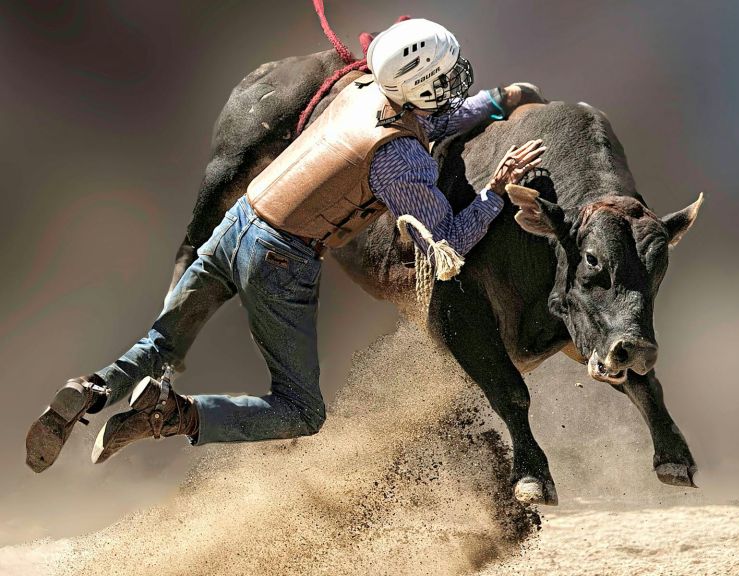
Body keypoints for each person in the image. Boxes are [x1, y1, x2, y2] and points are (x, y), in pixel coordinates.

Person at [26, 18, 546, 472]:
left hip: (239, 223)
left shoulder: (365, 88)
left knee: (163, 342)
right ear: (419, 83)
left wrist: (496, 102)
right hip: (279, 260)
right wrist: (495, 192)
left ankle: (93, 388)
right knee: (301, 411)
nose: (455, 80)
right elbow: (447, 250)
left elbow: (430, 119)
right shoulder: (402, 162)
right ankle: (172, 415)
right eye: (445, 76)